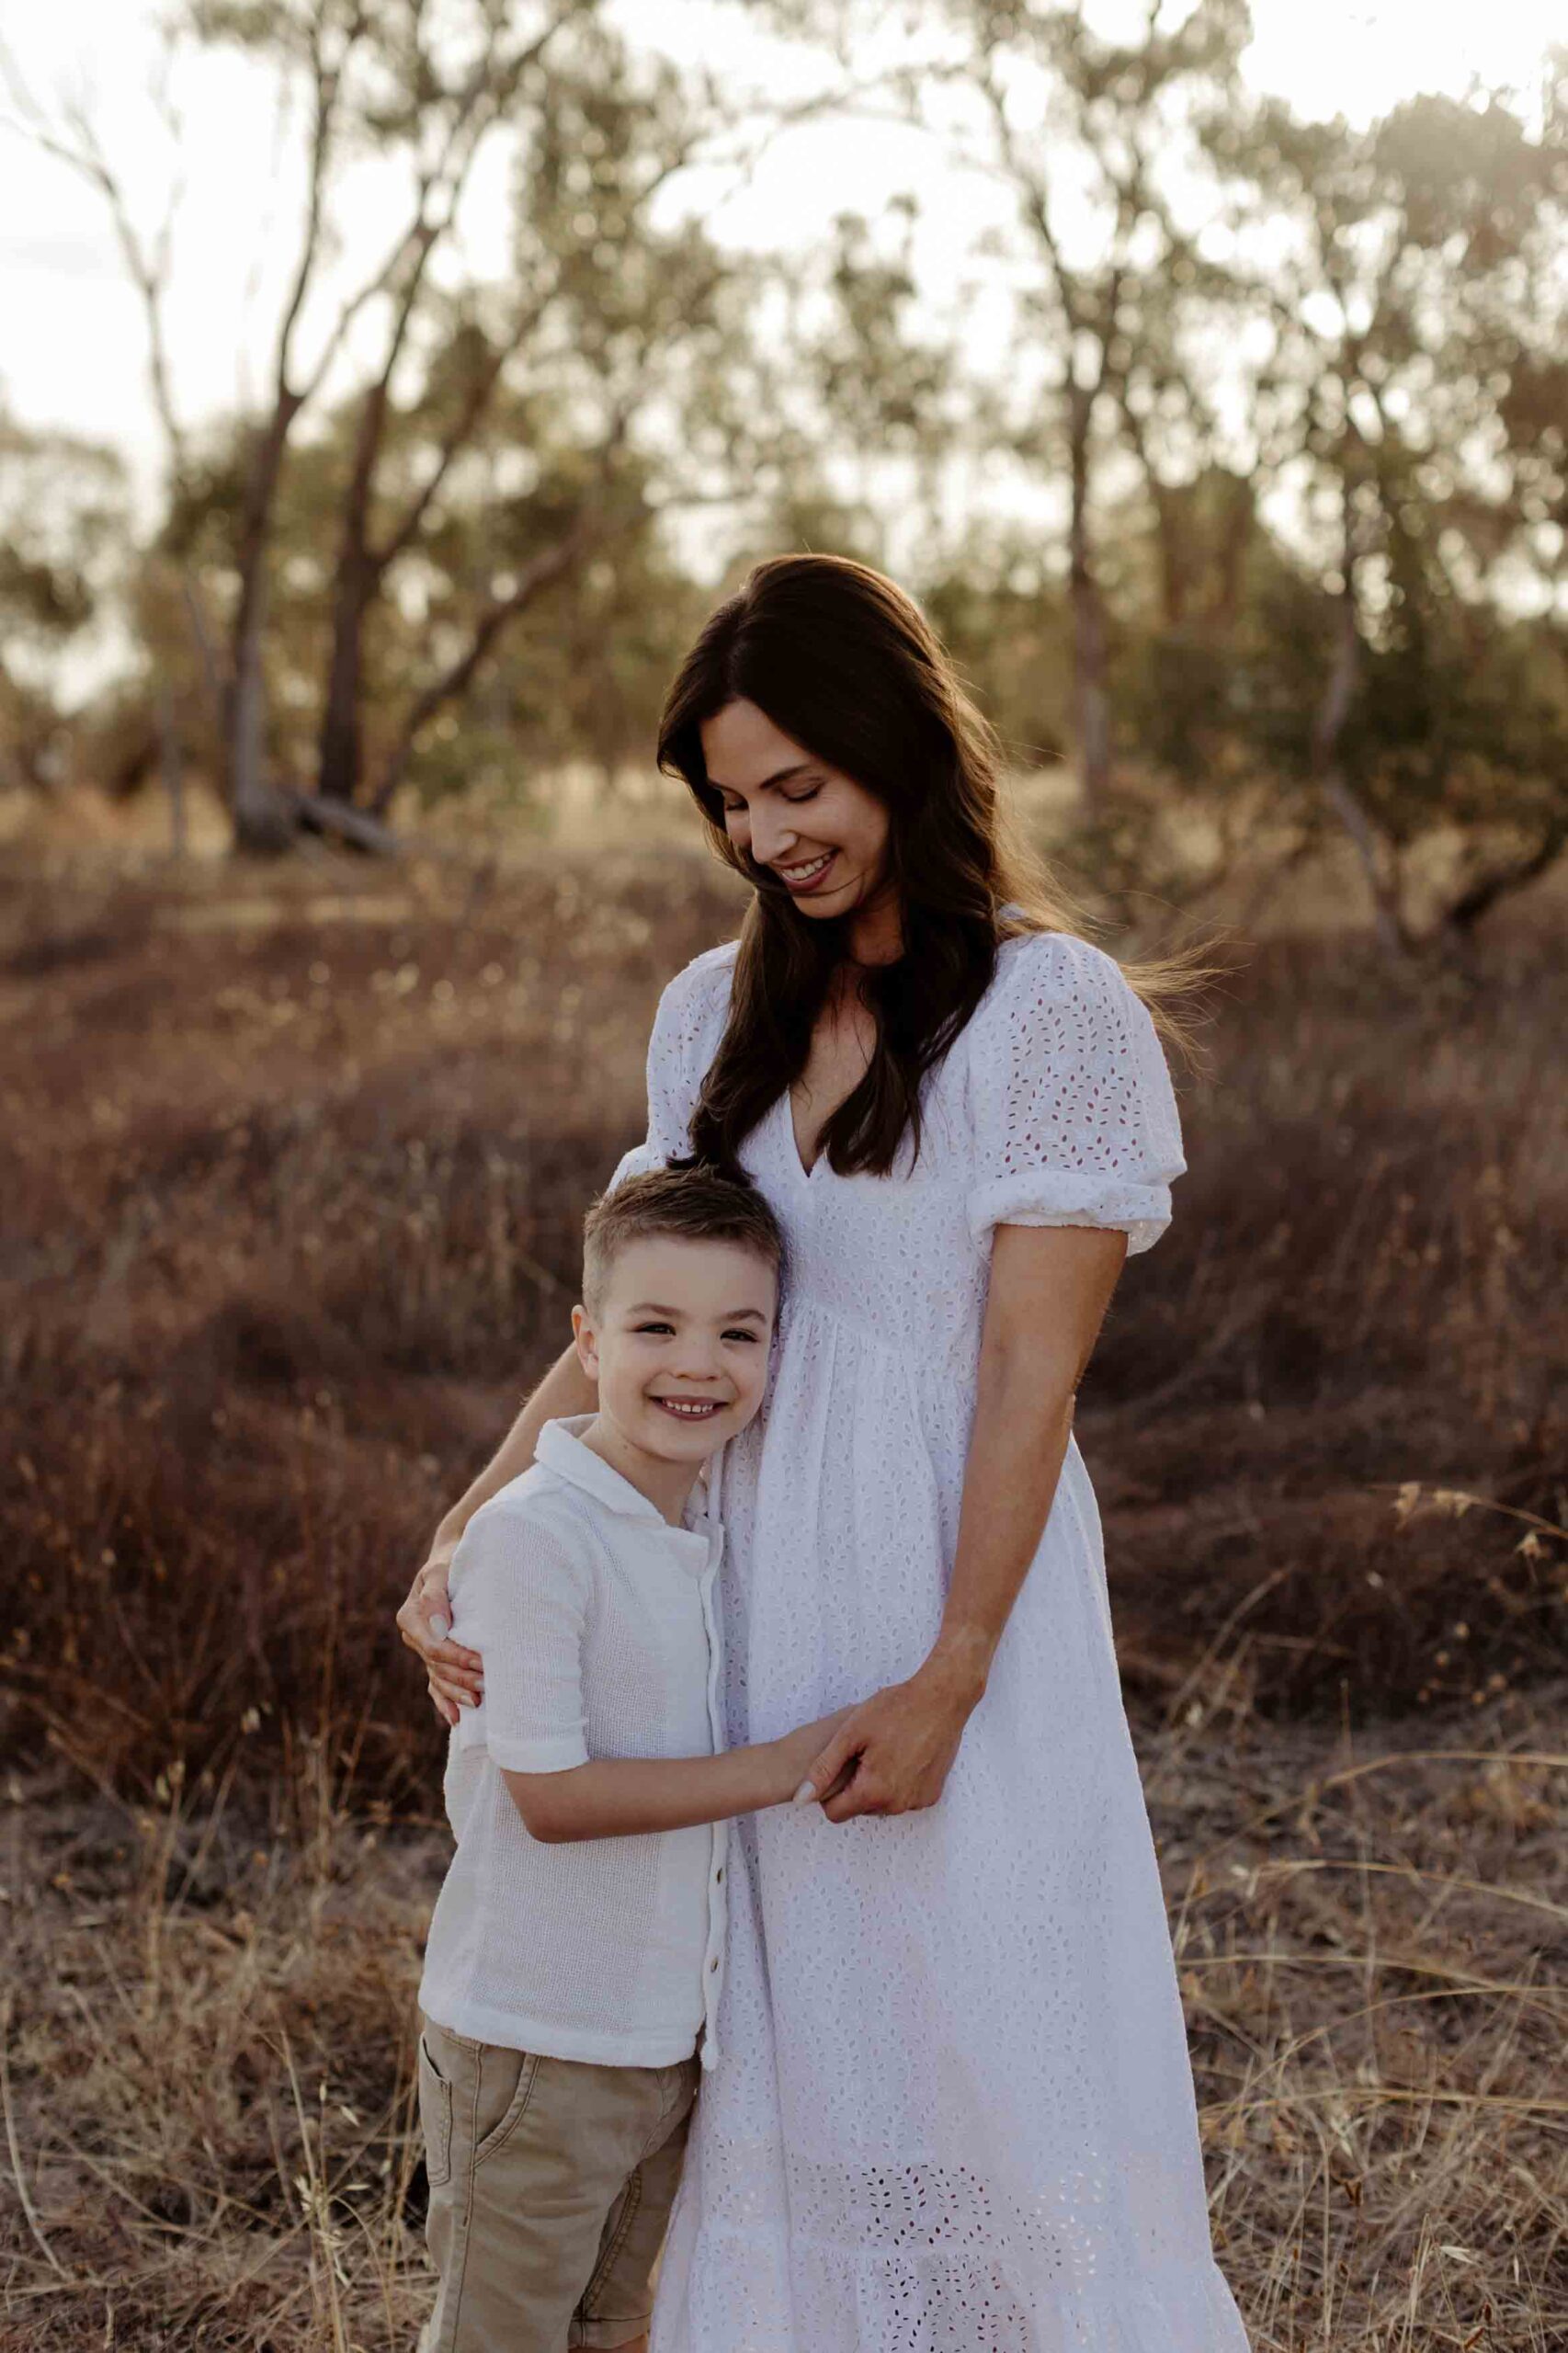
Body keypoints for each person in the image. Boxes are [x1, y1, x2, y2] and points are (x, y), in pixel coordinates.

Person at [401, 554, 1251, 2350]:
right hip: (722, 1602)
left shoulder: (1050, 1012)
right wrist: (465, 1525)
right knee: (764, 2041)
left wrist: (950, 1671)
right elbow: (640, 1323)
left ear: (900, 747)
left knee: (976, 2023)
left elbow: (1028, 1377)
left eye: (798, 784)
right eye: (730, 800)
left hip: (949, 1599)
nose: (765, 832)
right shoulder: (709, 1015)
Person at [415, 1164, 853, 2353]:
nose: (698, 1364)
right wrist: (784, 1767)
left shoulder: (695, 1531)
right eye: (654, 1326)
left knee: (616, 2332)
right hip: (533, 2043)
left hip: (663, 2043)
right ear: (587, 1342)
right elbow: (550, 1799)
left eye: (738, 1332)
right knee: (496, 2336)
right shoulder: (535, 1539)